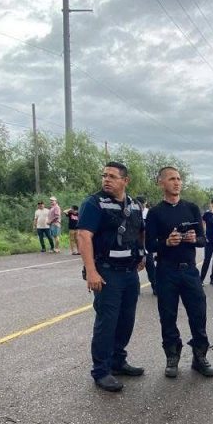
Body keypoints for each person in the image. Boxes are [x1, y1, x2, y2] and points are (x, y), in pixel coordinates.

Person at [76, 162, 147, 393]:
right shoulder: (94, 203)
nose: (106, 180)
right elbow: (84, 236)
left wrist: (142, 252)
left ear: (125, 181)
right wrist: (91, 271)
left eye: (112, 176)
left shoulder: (135, 205)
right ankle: (101, 371)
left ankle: (118, 361)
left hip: (129, 272)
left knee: (126, 320)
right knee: (107, 322)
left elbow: (139, 231)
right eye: (104, 176)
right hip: (107, 272)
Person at [144, 167, 213, 379]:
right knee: (168, 316)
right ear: (161, 183)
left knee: (198, 314)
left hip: (190, 271)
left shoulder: (192, 208)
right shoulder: (156, 213)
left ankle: (199, 357)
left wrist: (195, 240)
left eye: (179, 179)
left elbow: (203, 240)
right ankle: (172, 356)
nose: (177, 183)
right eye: (172, 179)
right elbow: (149, 245)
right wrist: (166, 242)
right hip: (166, 272)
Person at [139, 197, 157, 294]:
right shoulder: (133, 213)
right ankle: (135, 289)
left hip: (146, 245)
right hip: (136, 245)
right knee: (134, 268)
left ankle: (155, 287)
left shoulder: (149, 213)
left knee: (150, 267)